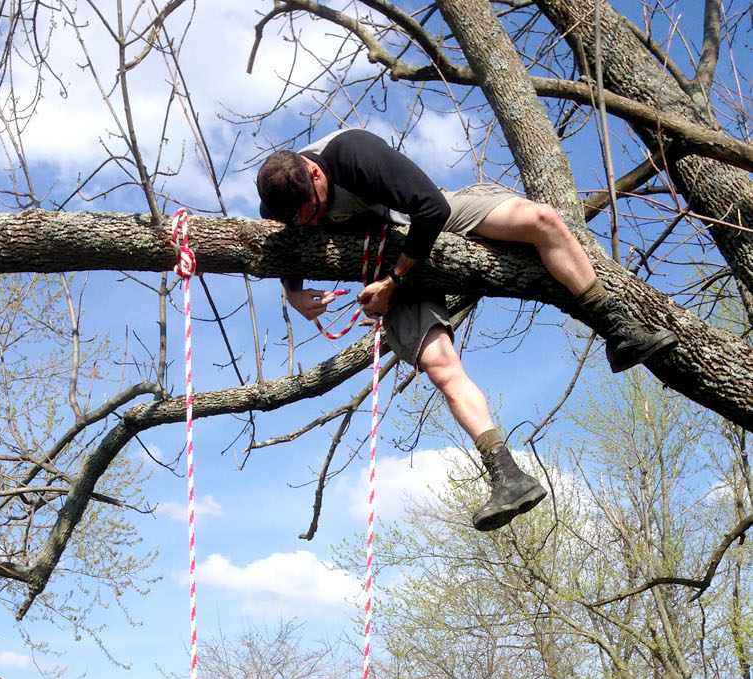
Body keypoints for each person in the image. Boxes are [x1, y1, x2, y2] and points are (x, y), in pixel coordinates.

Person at [256, 128, 677, 531]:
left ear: (314, 173)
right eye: (297, 220)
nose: (308, 223)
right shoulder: (283, 200)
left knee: (543, 220)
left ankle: (619, 331)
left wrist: (393, 284)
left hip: (427, 220)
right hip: (385, 259)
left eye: (311, 211)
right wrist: (293, 293)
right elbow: (283, 246)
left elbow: (431, 209)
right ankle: (506, 474)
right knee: (440, 367)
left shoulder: (352, 154)